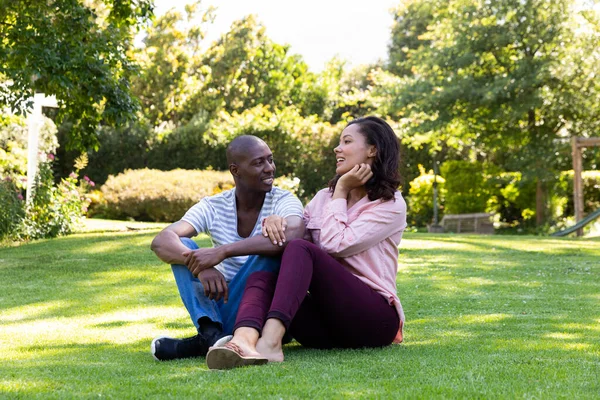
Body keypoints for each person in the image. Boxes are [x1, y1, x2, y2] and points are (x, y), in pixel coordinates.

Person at [205, 116, 407, 370]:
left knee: (301, 250)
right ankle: (243, 341)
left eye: (346, 141)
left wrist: (342, 190)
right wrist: (277, 221)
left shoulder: (390, 204)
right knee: (262, 276)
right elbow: (295, 239)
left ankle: (270, 342)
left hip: (372, 323)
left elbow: (335, 245)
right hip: (327, 328)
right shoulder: (325, 197)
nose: (337, 148)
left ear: (372, 150)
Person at [150, 135, 304, 361]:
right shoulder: (213, 205)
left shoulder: (283, 201)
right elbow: (161, 241)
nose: (270, 168)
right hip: (222, 301)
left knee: (274, 248)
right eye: (258, 162)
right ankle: (211, 333)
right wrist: (201, 267)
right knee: (184, 246)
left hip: (260, 308)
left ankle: (206, 341)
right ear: (236, 170)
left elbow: (294, 236)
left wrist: (222, 251)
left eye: (270, 160)